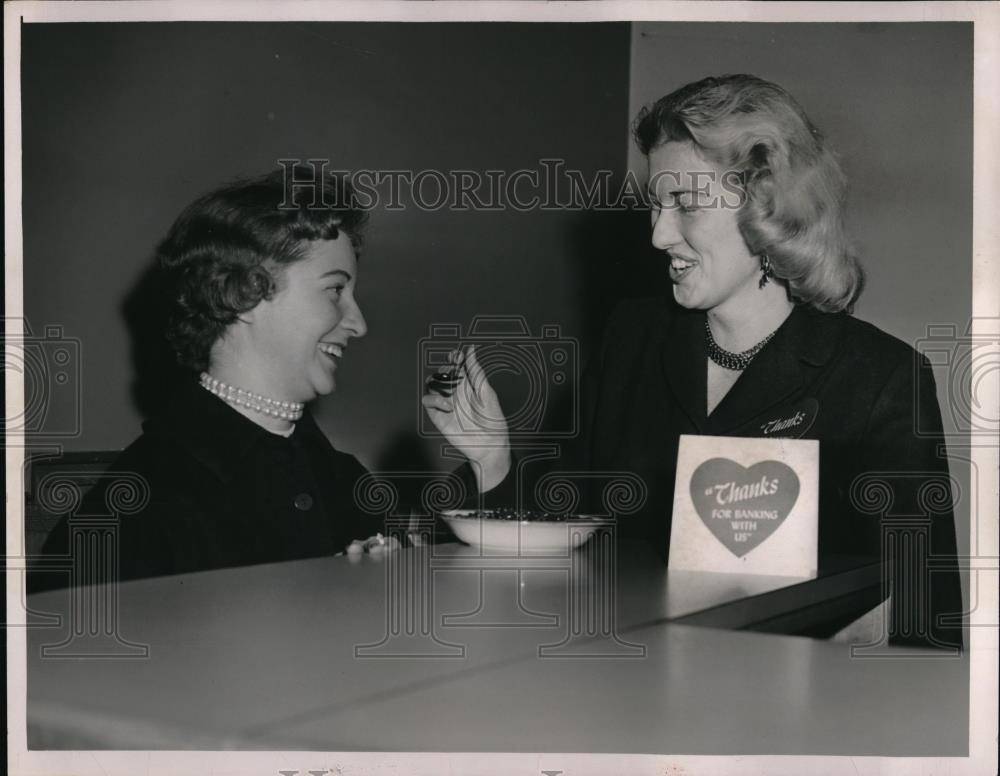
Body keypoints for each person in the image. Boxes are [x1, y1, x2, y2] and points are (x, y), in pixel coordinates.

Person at [424, 75, 963, 649]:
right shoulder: (633, 336)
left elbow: (923, 621)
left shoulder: (880, 379)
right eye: (657, 204)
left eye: (684, 203)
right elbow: (563, 537)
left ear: (765, 204)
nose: (658, 235)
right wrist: (492, 460)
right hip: (624, 687)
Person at [35, 167, 389, 585]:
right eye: (335, 290)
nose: (359, 323)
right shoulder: (135, 507)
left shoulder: (346, 481)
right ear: (243, 293)